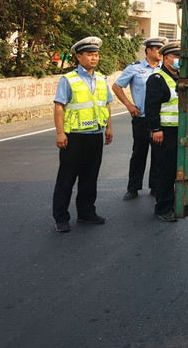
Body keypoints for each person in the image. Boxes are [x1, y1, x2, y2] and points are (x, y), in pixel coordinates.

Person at [52, 36, 113, 233]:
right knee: (67, 178)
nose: (94, 58)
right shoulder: (68, 79)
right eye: (89, 55)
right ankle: (61, 217)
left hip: (95, 134)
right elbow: (59, 107)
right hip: (75, 136)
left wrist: (109, 128)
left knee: (90, 177)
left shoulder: (102, 79)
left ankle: (87, 212)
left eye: (96, 55)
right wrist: (60, 133)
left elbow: (106, 106)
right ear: (79, 57)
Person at [112, 36, 167, 200]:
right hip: (141, 118)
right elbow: (116, 86)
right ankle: (133, 187)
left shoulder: (165, 69)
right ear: (148, 50)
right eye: (157, 49)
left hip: (160, 119)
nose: (159, 53)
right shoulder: (134, 68)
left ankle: (156, 186)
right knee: (139, 153)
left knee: (159, 154)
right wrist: (129, 104)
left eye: (161, 50)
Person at [144, 41, 181, 222]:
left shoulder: (180, 77)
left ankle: (171, 203)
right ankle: (162, 208)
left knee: (174, 171)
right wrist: (156, 129)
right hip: (164, 133)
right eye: (176, 57)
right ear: (167, 59)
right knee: (165, 172)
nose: (179, 60)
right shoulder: (157, 79)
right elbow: (151, 108)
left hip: (179, 132)